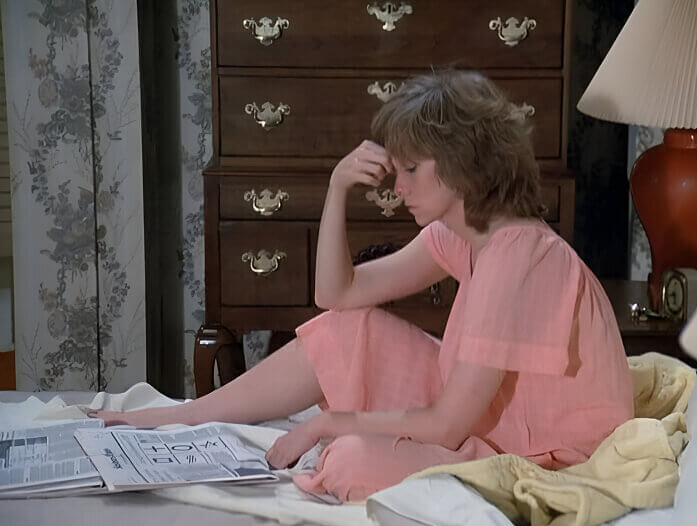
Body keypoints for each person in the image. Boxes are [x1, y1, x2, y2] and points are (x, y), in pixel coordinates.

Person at [93, 69, 634, 502]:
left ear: (462, 165)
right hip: (482, 421)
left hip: (539, 456)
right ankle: (186, 414)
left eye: (411, 170)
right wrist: (337, 187)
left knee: (350, 460)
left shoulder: (518, 254)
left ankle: (226, 423)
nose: (398, 188)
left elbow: (448, 427)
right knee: (346, 329)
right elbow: (338, 296)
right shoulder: (464, 235)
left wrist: (327, 424)